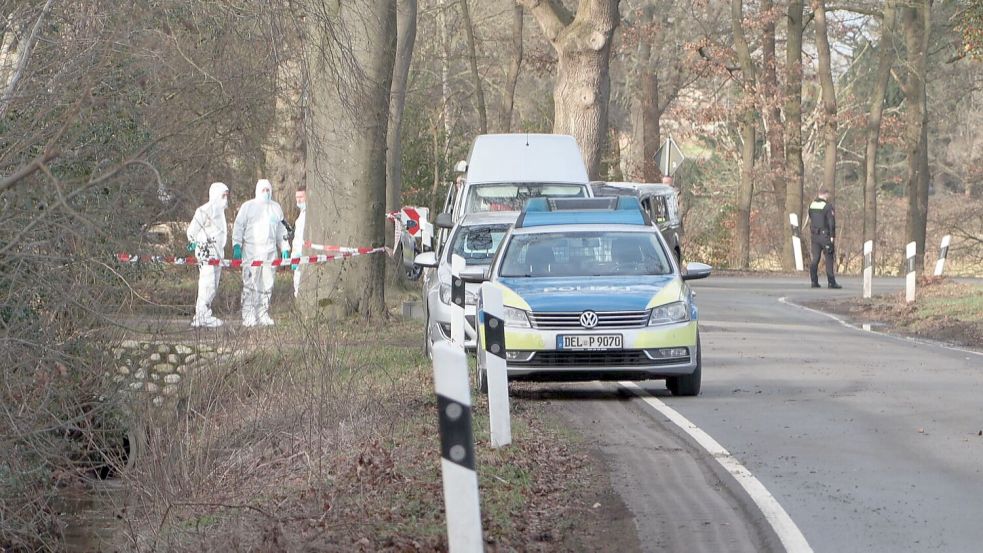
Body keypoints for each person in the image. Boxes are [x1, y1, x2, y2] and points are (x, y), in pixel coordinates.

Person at [232, 179, 290, 326]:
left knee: (267, 283)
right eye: (263, 190)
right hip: (252, 251)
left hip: (270, 251)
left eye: (268, 190)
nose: (266, 193)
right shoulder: (248, 207)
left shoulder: (276, 208)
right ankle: (249, 314)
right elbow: (239, 226)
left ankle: (263, 313)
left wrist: (284, 247)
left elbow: (281, 230)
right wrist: (237, 245)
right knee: (250, 283)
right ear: (258, 191)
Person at [187, 182, 229, 327]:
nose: (225, 198)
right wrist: (194, 243)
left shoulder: (220, 212)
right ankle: (200, 315)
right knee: (207, 283)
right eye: (223, 195)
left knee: (213, 285)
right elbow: (192, 231)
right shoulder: (204, 210)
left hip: (217, 254)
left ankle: (205, 313)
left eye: (226, 195)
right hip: (206, 253)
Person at [808, 191, 841, 289]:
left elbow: (811, 217)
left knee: (815, 258)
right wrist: (832, 236)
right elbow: (831, 222)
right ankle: (831, 282)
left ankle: (814, 281)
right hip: (825, 235)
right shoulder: (828, 206)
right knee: (829, 258)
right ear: (826, 195)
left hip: (814, 236)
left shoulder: (812, 205)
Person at [291, 185, 307, 297]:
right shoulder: (301, 214)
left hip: (306, 254)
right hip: (298, 254)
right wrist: (293, 254)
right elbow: (297, 238)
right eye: (297, 197)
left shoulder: (309, 214)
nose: (298, 200)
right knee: (297, 279)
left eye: (301, 196)